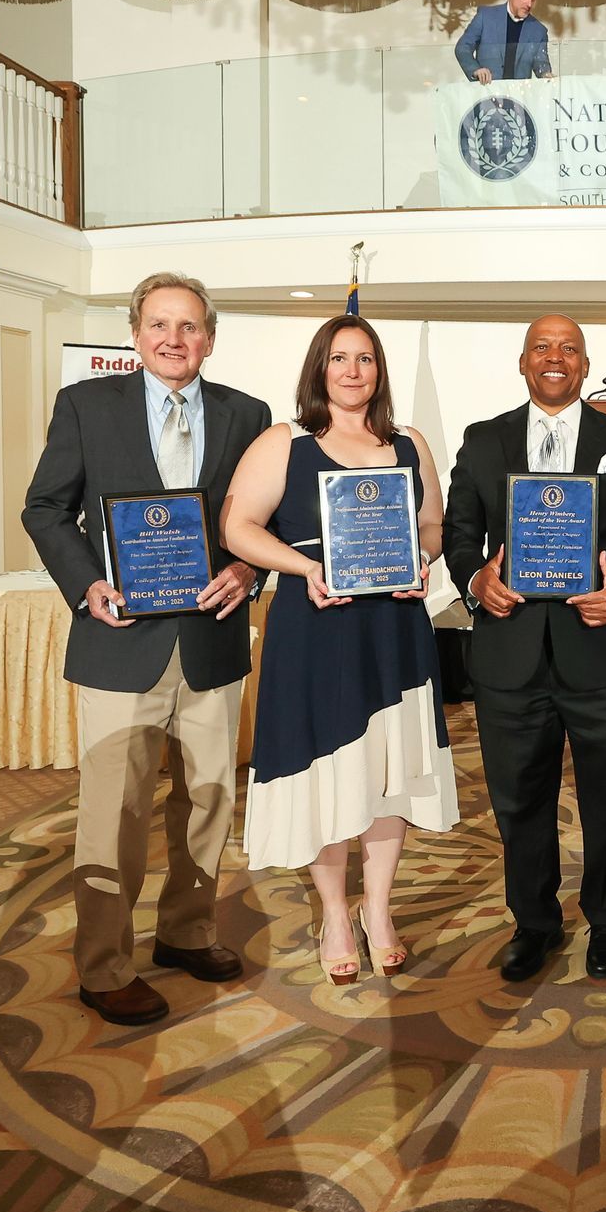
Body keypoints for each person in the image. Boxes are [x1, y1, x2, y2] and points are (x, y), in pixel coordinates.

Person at [22, 272, 269, 1027]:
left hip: (210, 639)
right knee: (114, 810)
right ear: (134, 335)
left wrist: (248, 568)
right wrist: (87, 583)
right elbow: (45, 508)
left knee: (209, 798)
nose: (173, 338)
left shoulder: (246, 414)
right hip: (119, 639)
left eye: (189, 326)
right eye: (159, 325)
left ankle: (187, 931)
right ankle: (103, 966)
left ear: (210, 338)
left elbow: (264, 518)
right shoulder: (85, 406)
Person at [221, 315, 459, 984]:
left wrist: (421, 556)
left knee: (390, 773)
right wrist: (303, 570)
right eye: (338, 358)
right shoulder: (285, 442)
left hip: (394, 628)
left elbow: (433, 525)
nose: (352, 371)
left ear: (379, 370)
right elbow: (237, 527)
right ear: (318, 368)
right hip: (316, 624)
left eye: (365, 359)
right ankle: (333, 911)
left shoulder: (408, 442)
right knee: (328, 773)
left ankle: (378, 908)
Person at [444, 315, 606, 984]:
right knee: (518, 801)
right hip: (510, 654)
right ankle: (534, 923)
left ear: (584, 363)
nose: (555, 357)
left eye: (569, 348)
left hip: (600, 652)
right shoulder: (483, 441)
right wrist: (477, 580)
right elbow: (460, 533)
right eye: (542, 346)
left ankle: (605, 919)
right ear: (522, 362)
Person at [455, 0, 552, 84]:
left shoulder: (538, 30)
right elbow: (462, 48)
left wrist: (546, 74)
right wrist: (476, 70)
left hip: (519, 97)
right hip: (486, 92)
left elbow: (541, 63)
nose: (529, 4)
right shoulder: (485, 17)